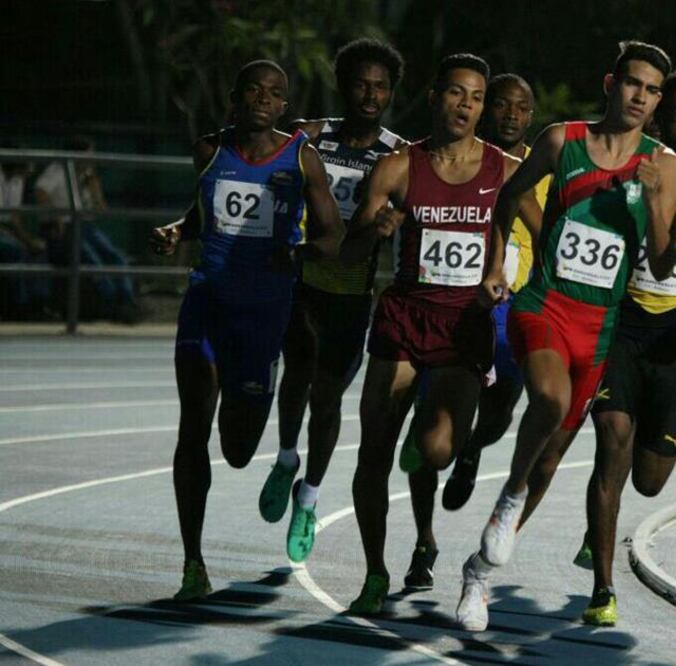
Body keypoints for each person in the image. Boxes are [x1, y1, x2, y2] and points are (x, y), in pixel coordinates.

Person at [455, 40, 676, 633]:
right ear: (611, 84)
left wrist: (655, 202)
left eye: (652, 90)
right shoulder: (563, 141)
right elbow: (509, 196)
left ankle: (478, 573)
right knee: (550, 401)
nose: (640, 97)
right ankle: (509, 494)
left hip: (599, 327)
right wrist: (494, 265)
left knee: (551, 459)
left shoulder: (664, 166)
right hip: (545, 305)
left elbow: (663, 267)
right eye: (632, 84)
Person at [346, 53, 536, 616]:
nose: (466, 106)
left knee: (437, 450)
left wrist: (507, 278)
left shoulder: (505, 169)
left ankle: (424, 431)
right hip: (405, 318)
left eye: (476, 98)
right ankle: (375, 572)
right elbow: (351, 248)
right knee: (373, 452)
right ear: (435, 97)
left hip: (465, 327)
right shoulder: (397, 167)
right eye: (456, 93)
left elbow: (548, 235)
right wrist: (375, 230)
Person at [148, 59, 342, 602]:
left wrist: (297, 253)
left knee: (236, 449)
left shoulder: (300, 157)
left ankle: (256, 388)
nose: (262, 98)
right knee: (193, 430)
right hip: (207, 304)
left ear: (284, 106)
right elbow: (203, 213)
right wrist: (177, 231)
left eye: (273, 93)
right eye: (252, 89)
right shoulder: (210, 151)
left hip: (263, 315)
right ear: (234, 98)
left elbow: (332, 236)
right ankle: (193, 564)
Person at [577, 69, 676, 626]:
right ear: (662, 116)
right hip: (622, 328)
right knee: (611, 444)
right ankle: (602, 586)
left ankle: (600, 525)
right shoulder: (632, 165)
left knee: (648, 480)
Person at [393, 72, 551, 594]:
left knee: (500, 412)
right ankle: (423, 541)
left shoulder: (540, 169)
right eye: (499, 104)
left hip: (514, 309)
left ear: (531, 116)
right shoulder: (455, 162)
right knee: (427, 426)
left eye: (520, 107)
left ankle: (472, 448)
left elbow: (552, 233)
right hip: (451, 306)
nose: (510, 114)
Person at [257, 38, 406, 565]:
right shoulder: (309, 138)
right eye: (361, 84)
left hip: (351, 294)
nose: (370, 95)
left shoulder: (399, 154)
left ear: (390, 94)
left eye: (380, 87)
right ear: (343, 86)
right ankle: (285, 459)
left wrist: (394, 225)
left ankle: (309, 497)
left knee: (327, 399)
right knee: (294, 380)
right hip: (303, 283)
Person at [34, 137, 141, 322]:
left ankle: (127, 301)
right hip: (65, 227)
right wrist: (56, 216)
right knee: (93, 261)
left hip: (86, 225)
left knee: (115, 257)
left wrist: (94, 186)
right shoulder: (58, 169)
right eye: (89, 154)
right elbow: (40, 191)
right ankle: (110, 303)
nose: (92, 158)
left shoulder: (87, 175)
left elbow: (101, 209)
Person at [0, 155, 51, 319]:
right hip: (3, 231)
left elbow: (14, 218)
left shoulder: (18, 181)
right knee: (16, 251)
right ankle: (19, 306)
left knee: (39, 251)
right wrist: (24, 241)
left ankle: (38, 303)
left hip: (7, 230)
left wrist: (28, 240)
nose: (30, 170)